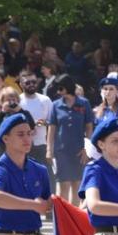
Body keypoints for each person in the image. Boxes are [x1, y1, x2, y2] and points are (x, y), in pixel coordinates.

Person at [47, 74, 93, 205]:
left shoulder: (84, 103)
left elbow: (89, 127)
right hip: (61, 150)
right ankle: (63, 218)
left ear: (68, 87)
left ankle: (74, 218)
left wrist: (87, 149)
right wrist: (49, 150)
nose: (58, 92)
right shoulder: (56, 105)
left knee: (77, 185)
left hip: (79, 150)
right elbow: (52, 129)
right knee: (63, 185)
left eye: (60, 88)